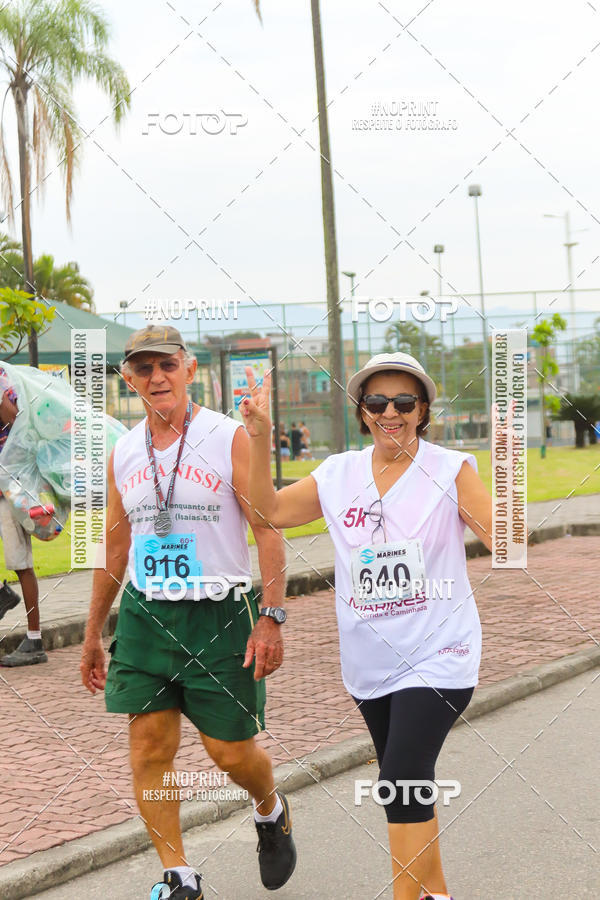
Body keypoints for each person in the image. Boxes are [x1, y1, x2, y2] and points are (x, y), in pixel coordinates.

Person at [242, 352, 492, 900]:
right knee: (408, 789)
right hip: (370, 664)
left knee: (400, 777)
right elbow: (268, 512)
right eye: (377, 402)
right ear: (362, 412)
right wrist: (260, 438)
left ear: (423, 409)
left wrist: (511, 479)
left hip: (440, 654)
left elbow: (509, 541)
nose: (391, 413)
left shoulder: (451, 470)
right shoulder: (339, 474)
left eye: (404, 402)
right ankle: (435, 893)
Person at [80, 326, 296, 900]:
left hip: (221, 614)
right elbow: (115, 547)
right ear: (130, 378)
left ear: (189, 368)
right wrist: (92, 633)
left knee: (229, 752)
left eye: (167, 366)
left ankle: (270, 809)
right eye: (144, 369)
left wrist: (271, 614)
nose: (156, 378)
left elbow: (267, 527)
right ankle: (178, 876)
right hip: (147, 616)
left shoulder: (228, 437)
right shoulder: (124, 450)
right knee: (149, 747)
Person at [0, 364, 47, 666]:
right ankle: (2, 597)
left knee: (21, 563)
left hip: (9, 488)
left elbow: (16, 424)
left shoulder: (3, 383)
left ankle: (34, 640)